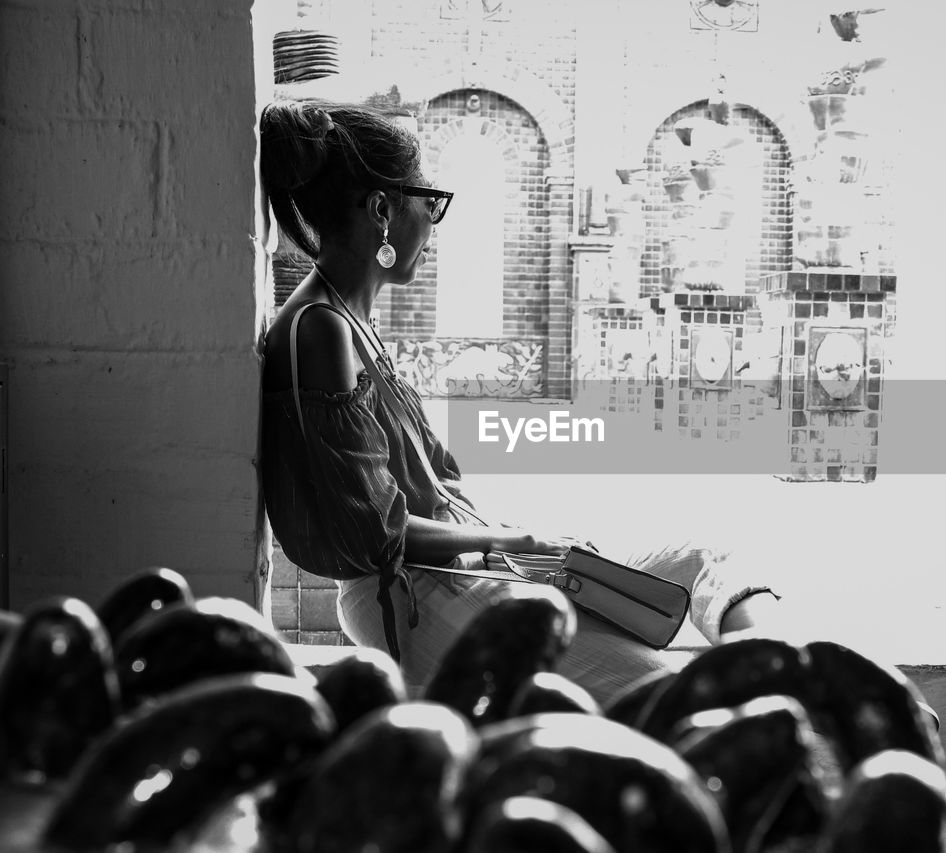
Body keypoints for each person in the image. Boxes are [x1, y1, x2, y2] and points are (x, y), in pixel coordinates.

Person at [257, 100, 781, 700]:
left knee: (705, 555)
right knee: (656, 687)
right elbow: (376, 534)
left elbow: (435, 484)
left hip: (467, 567)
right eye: (428, 203)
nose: (432, 223)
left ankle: (796, 678)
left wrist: (523, 542)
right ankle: (792, 710)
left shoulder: (349, 321)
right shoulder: (319, 329)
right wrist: (520, 544)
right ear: (381, 209)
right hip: (415, 593)